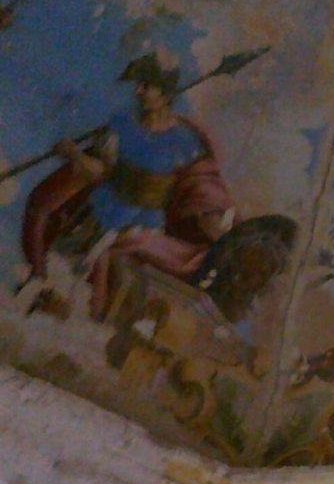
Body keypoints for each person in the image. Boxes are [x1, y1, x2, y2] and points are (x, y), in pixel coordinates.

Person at [21, 53, 236, 319]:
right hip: (101, 212)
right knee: (66, 252)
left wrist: (74, 154)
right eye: (138, 84)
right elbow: (102, 170)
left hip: (141, 223)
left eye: (147, 85)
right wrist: (77, 157)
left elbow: (194, 186)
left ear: (165, 92)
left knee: (104, 256)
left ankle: (88, 318)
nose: (138, 91)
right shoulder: (122, 123)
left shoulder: (184, 140)